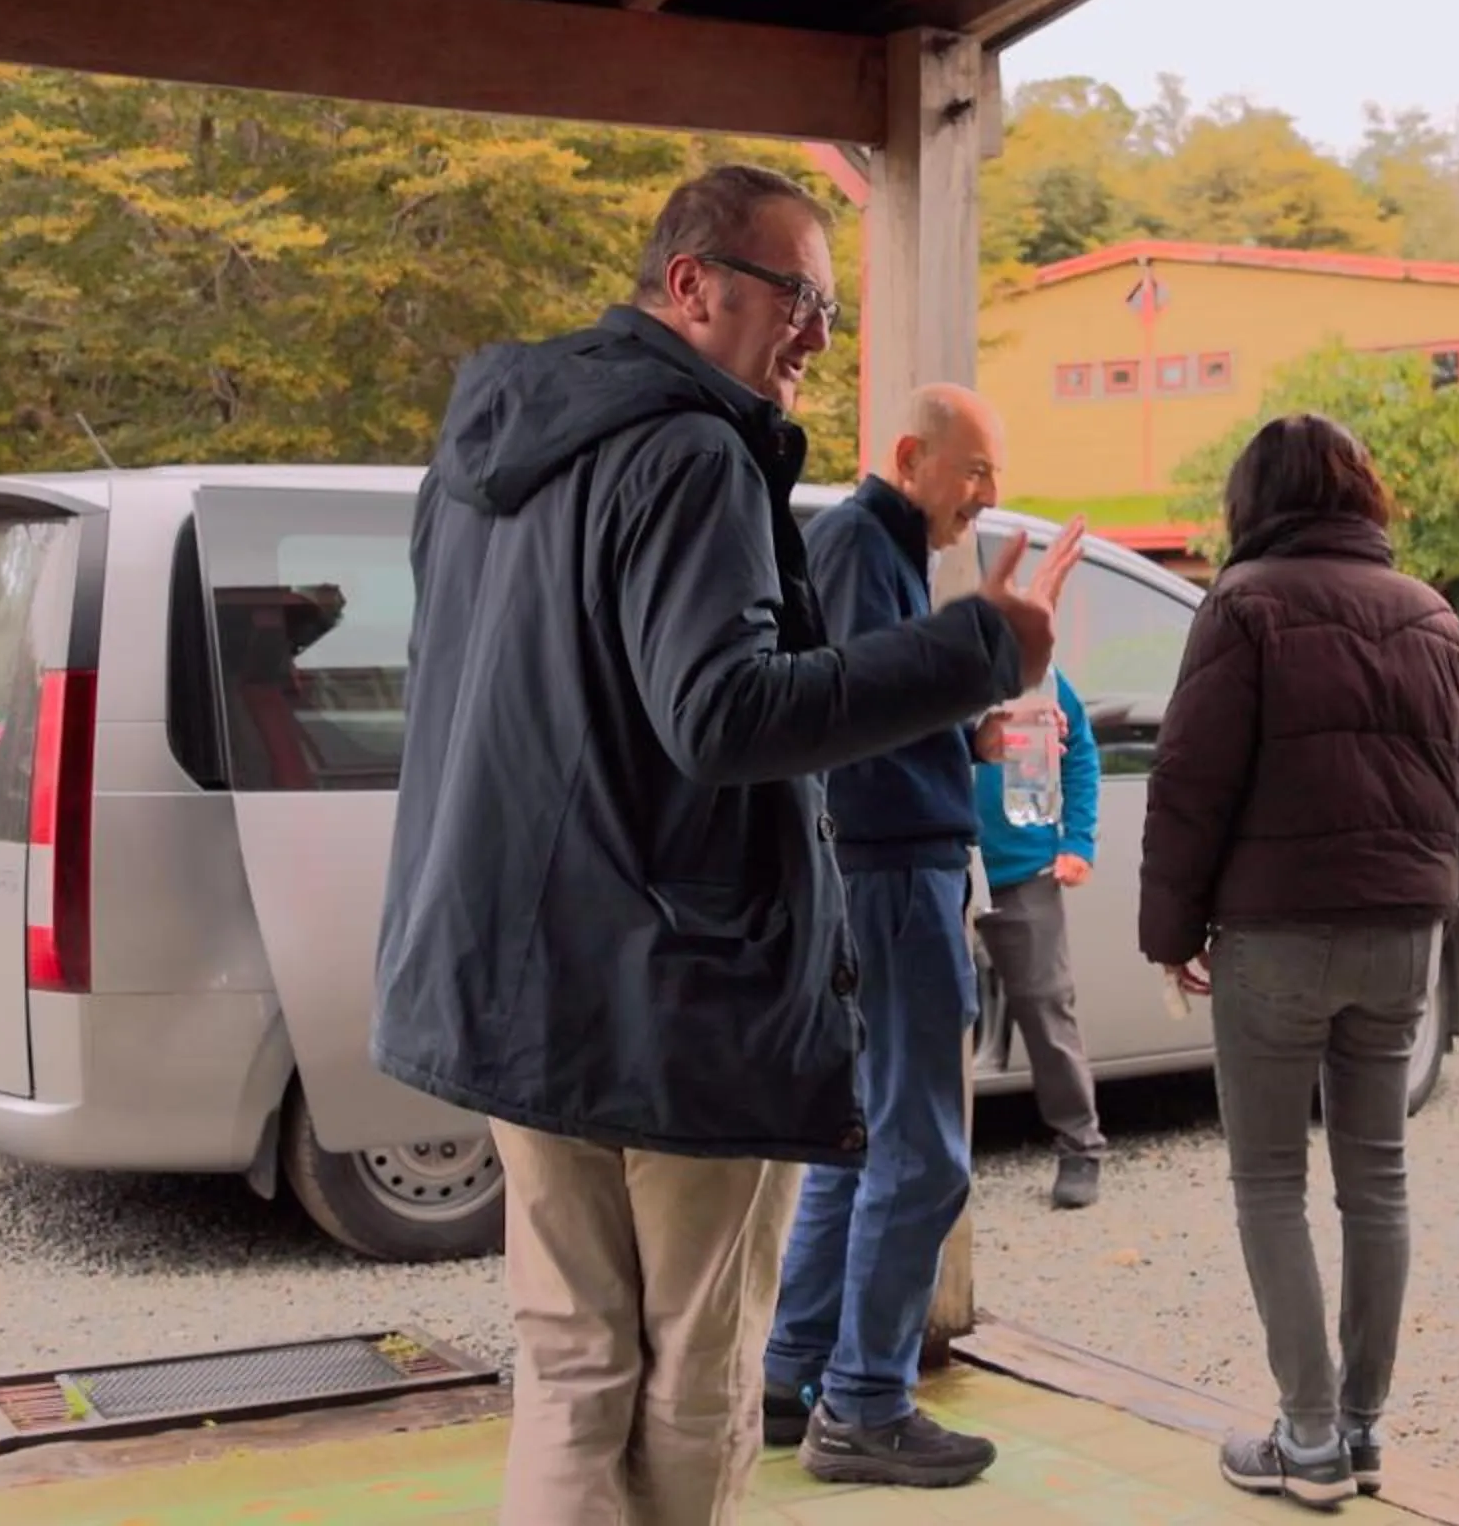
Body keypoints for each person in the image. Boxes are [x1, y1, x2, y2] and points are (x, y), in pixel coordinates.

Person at [371, 165, 1081, 1525]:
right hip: (670, 989)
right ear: (693, 285)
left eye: (828, 305)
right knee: (695, 1370)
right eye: (798, 297)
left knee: (574, 1362)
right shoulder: (691, 450)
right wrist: (982, 645)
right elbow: (723, 713)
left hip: (512, 979)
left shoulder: (488, 450)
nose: (817, 332)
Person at [1140, 414, 1459, 1509]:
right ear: (1361, 495)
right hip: (1402, 931)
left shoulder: (1242, 604)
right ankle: (1366, 1429)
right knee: (1377, 1177)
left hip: (1276, 934)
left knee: (1270, 1180)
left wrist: (1170, 930)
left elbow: (1190, 781)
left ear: (1254, 500)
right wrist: (1433, 899)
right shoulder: (1430, 614)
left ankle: (1308, 1435)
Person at [761, 384, 1055, 1491]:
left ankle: (797, 1375)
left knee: (869, 1139)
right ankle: (869, 1402)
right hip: (890, 871)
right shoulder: (855, 542)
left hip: (886, 862)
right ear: (909, 456)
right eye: (974, 471)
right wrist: (984, 647)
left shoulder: (868, 545)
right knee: (923, 1148)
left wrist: (968, 727)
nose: (987, 495)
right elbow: (852, 710)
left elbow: (878, 703)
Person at [971, 663, 1108, 1210]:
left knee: (1047, 1007)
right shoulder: (923, 660)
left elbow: (1080, 756)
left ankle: (1081, 1145)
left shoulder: (1041, 678)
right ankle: (933, 1154)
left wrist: (1077, 841)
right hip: (940, 863)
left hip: (1023, 870)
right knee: (933, 1019)